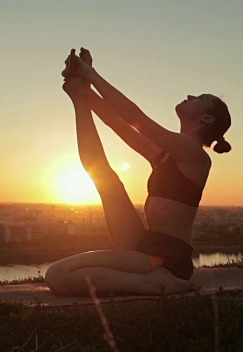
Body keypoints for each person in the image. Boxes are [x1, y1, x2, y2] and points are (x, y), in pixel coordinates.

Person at [45, 48, 232, 296]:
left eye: (198, 98)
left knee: (57, 276)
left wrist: (90, 74)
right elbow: (116, 121)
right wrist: (80, 88)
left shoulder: (194, 155)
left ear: (207, 119)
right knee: (102, 176)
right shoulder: (165, 154)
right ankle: (78, 97)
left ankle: (153, 283)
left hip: (167, 258)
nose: (189, 95)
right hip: (145, 244)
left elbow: (134, 116)